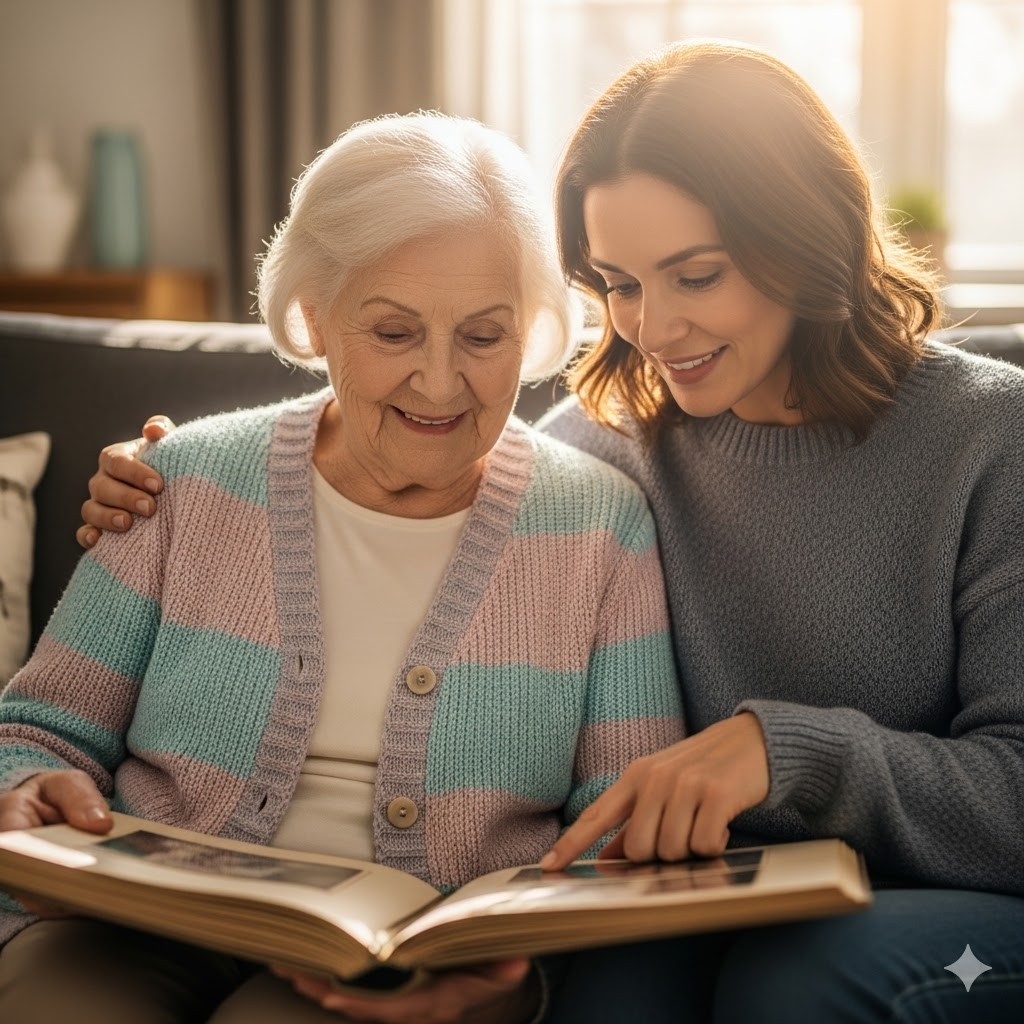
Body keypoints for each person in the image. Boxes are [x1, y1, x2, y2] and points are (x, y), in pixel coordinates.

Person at [81, 41, 1024, 1022]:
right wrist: (161, 481)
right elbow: (445, 466)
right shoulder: (609, 450)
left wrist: (786, 754)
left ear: (806, 237)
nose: (653, 329)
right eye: (620, 283)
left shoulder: (992, 439)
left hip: (964, 917)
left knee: (802, 981)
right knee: (606, 993)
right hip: (720, 894)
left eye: (696, 275)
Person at [0, 112, 685, 1024]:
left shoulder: (603, 525)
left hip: (412, 964)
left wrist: (517, 973)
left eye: (484, 337)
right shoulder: (177, 480)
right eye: (394, 333)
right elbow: (38, 730)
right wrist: (26, 790)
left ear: (531, 331)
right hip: (136, 922)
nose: (439, 382)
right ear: (316, 317)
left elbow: (620, 826)